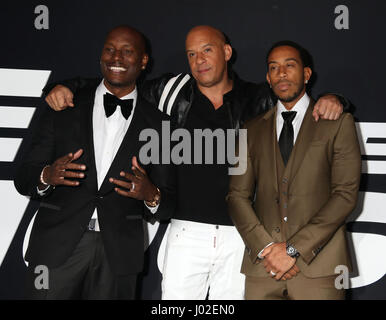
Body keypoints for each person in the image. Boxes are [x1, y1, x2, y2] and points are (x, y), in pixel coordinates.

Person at [42, 26, 348, 300]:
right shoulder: (169, 91)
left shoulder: (258, 98)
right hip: (185, 232)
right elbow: (117, 82)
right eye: (191, 53)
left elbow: (300, 106)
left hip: (241, 234)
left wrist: (335, 98)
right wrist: (66, 86)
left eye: (207, 50)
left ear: (226, 53)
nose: (199, 59)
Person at [14, 25, 175, 300]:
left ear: (143, 60)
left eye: (127, 52)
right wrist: (47, 175)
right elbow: (23, 176)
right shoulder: (64, 108)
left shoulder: (160, 126)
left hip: (119, 256)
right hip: (57, 248)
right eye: (110, 50)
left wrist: (151, 195)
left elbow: (170, 201)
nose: (116, 58)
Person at [226, 40, 361, 300]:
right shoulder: (250, 130)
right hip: (264, 267)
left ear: (307, 74)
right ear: (268, 77)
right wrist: (266, 248)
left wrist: (292, 250)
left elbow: (344, 195)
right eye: (274, 68)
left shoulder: (338, 123)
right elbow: (236, 196)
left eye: (290, 65)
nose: (282, 73)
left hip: (319, 267)